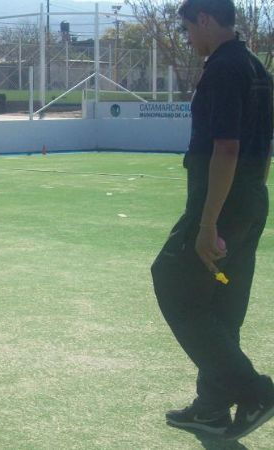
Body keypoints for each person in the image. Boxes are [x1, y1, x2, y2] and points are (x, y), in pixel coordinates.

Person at [152, 0, 274, 440]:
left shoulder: (223, 68)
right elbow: (263, 147)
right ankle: (212, 407)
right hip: (251, 200)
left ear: (204, 19)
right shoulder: (257, 68)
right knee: (223, 303)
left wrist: (208, 223)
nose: (187, 38)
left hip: (220, 205)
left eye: (187, 29)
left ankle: (254, 391)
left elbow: (226, 148)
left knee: (171, 280)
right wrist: (249, 202)